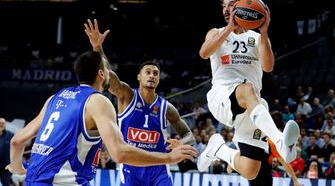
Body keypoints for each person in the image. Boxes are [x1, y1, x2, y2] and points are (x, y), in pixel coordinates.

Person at [6, 49, 197, 185]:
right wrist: (169, 158)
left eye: (156, 73)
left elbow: (17, 141)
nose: (152, 75)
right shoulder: (102, 100)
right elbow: (119, 153)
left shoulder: (55, 98)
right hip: (67, 180)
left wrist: (17, 168)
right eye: (107, 70)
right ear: (100, 74)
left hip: (36, 179)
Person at [196, 0, 300, 180]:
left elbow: (268, 67)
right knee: (247, 89)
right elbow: (204, 53)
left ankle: (218, 148)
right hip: (222, 97)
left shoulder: (257, 38)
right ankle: (279, 141)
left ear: (244, 9)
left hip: (252, 105)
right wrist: (229, 29)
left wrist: (264, 32)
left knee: (250, 171)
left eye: (232, 5)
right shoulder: (216, 32)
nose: (227, 9)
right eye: (224, 6)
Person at [84, 19, 195, 185]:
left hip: (159, 168)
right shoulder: (126, 95)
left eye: (155, 73)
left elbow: (189, 135)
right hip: (131, 166)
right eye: (148, 72)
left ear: (158, 80)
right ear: (139, 77)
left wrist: (182, 143)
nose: (151, 75)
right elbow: (107, 74)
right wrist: (97, 48)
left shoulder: (167, 108)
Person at [0, 117, 14, 186]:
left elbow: (15, 149)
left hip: (6, 166)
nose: (1, 125)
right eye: (0, 123)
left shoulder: (11, 135)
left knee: (5, 183)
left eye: (3, 123)